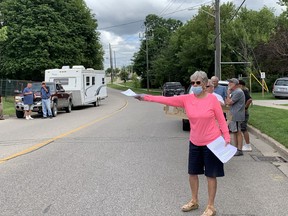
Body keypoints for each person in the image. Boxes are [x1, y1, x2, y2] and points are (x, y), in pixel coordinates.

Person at [135, 71, 230, 216]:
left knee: (211, 174)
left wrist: (227, 138)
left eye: (198, 82)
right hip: (195, 142)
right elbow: (165, 100)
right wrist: (144, 97)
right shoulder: (187, 99)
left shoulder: (212, 100)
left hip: (212, 142)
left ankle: (211, 206)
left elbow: (222, 120)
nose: (195, 85)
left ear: (205, 84)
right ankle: (194, 200)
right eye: (193, 83)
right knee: (192, 173)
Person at [225, 78, 245, 156]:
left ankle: (239, 149)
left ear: (236, 84)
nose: (229, 84)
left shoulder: (238, 92)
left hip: (236, 115)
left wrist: (228, 93)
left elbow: (229, 102)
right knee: (234, 131)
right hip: (232, 114)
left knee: (238, 132)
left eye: (231, 82)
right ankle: (235, 148)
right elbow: (227, 102)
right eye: (229, 82)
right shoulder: (234, 92)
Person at [238, 80, 253, 151]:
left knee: (243, 128)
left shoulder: (244, 91)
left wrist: (245, 108)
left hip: (244, 112)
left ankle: (248, 145)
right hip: (240, 112)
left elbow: (249, 99)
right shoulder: (241, 91)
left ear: (241, 85)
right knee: (240, 128)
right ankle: (244, 144)